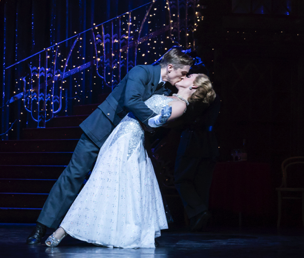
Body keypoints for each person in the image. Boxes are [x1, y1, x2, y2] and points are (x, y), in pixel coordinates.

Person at [26, 47, 194, 244]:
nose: (183, 78)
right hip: (101, 131)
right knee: (74, 175)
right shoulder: (141, 71)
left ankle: (109, 232)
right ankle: (42, 227)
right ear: (171, 67)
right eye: (183, 73)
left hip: (124, 140)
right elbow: (131, 100)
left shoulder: (165, 89)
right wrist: (152, 120)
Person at [45, 74, 216, 248]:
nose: (185, 76)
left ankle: (62, 231)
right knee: (107, 183)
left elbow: (154, 124)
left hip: (129, 141)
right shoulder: (171, 96)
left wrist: (159, 119)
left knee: (100, 182)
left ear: (193, 87)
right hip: (121, 134)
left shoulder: (180, 105)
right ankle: (99, 229)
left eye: (190, 76)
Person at [174, 92, 221, 232]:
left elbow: (186, 117)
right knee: (202, 183)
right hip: (210, 141)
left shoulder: (194, 96)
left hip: (192, 140)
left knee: (181, 179)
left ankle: (199, 212)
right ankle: (199, 221)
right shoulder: (214, 96)